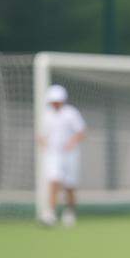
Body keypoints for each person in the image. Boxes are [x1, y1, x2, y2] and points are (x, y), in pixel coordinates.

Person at [38, 84, 86, 227]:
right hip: (53, 155)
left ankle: (69, 212)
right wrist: (44, 142)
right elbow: (41, 135)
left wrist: (71, 142)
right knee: (53, 182)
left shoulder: (71, 113)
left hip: (70, 155)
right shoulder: (46, 115)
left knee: (69, 185)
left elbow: (81, 132)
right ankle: (50, 213)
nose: (55, 103)